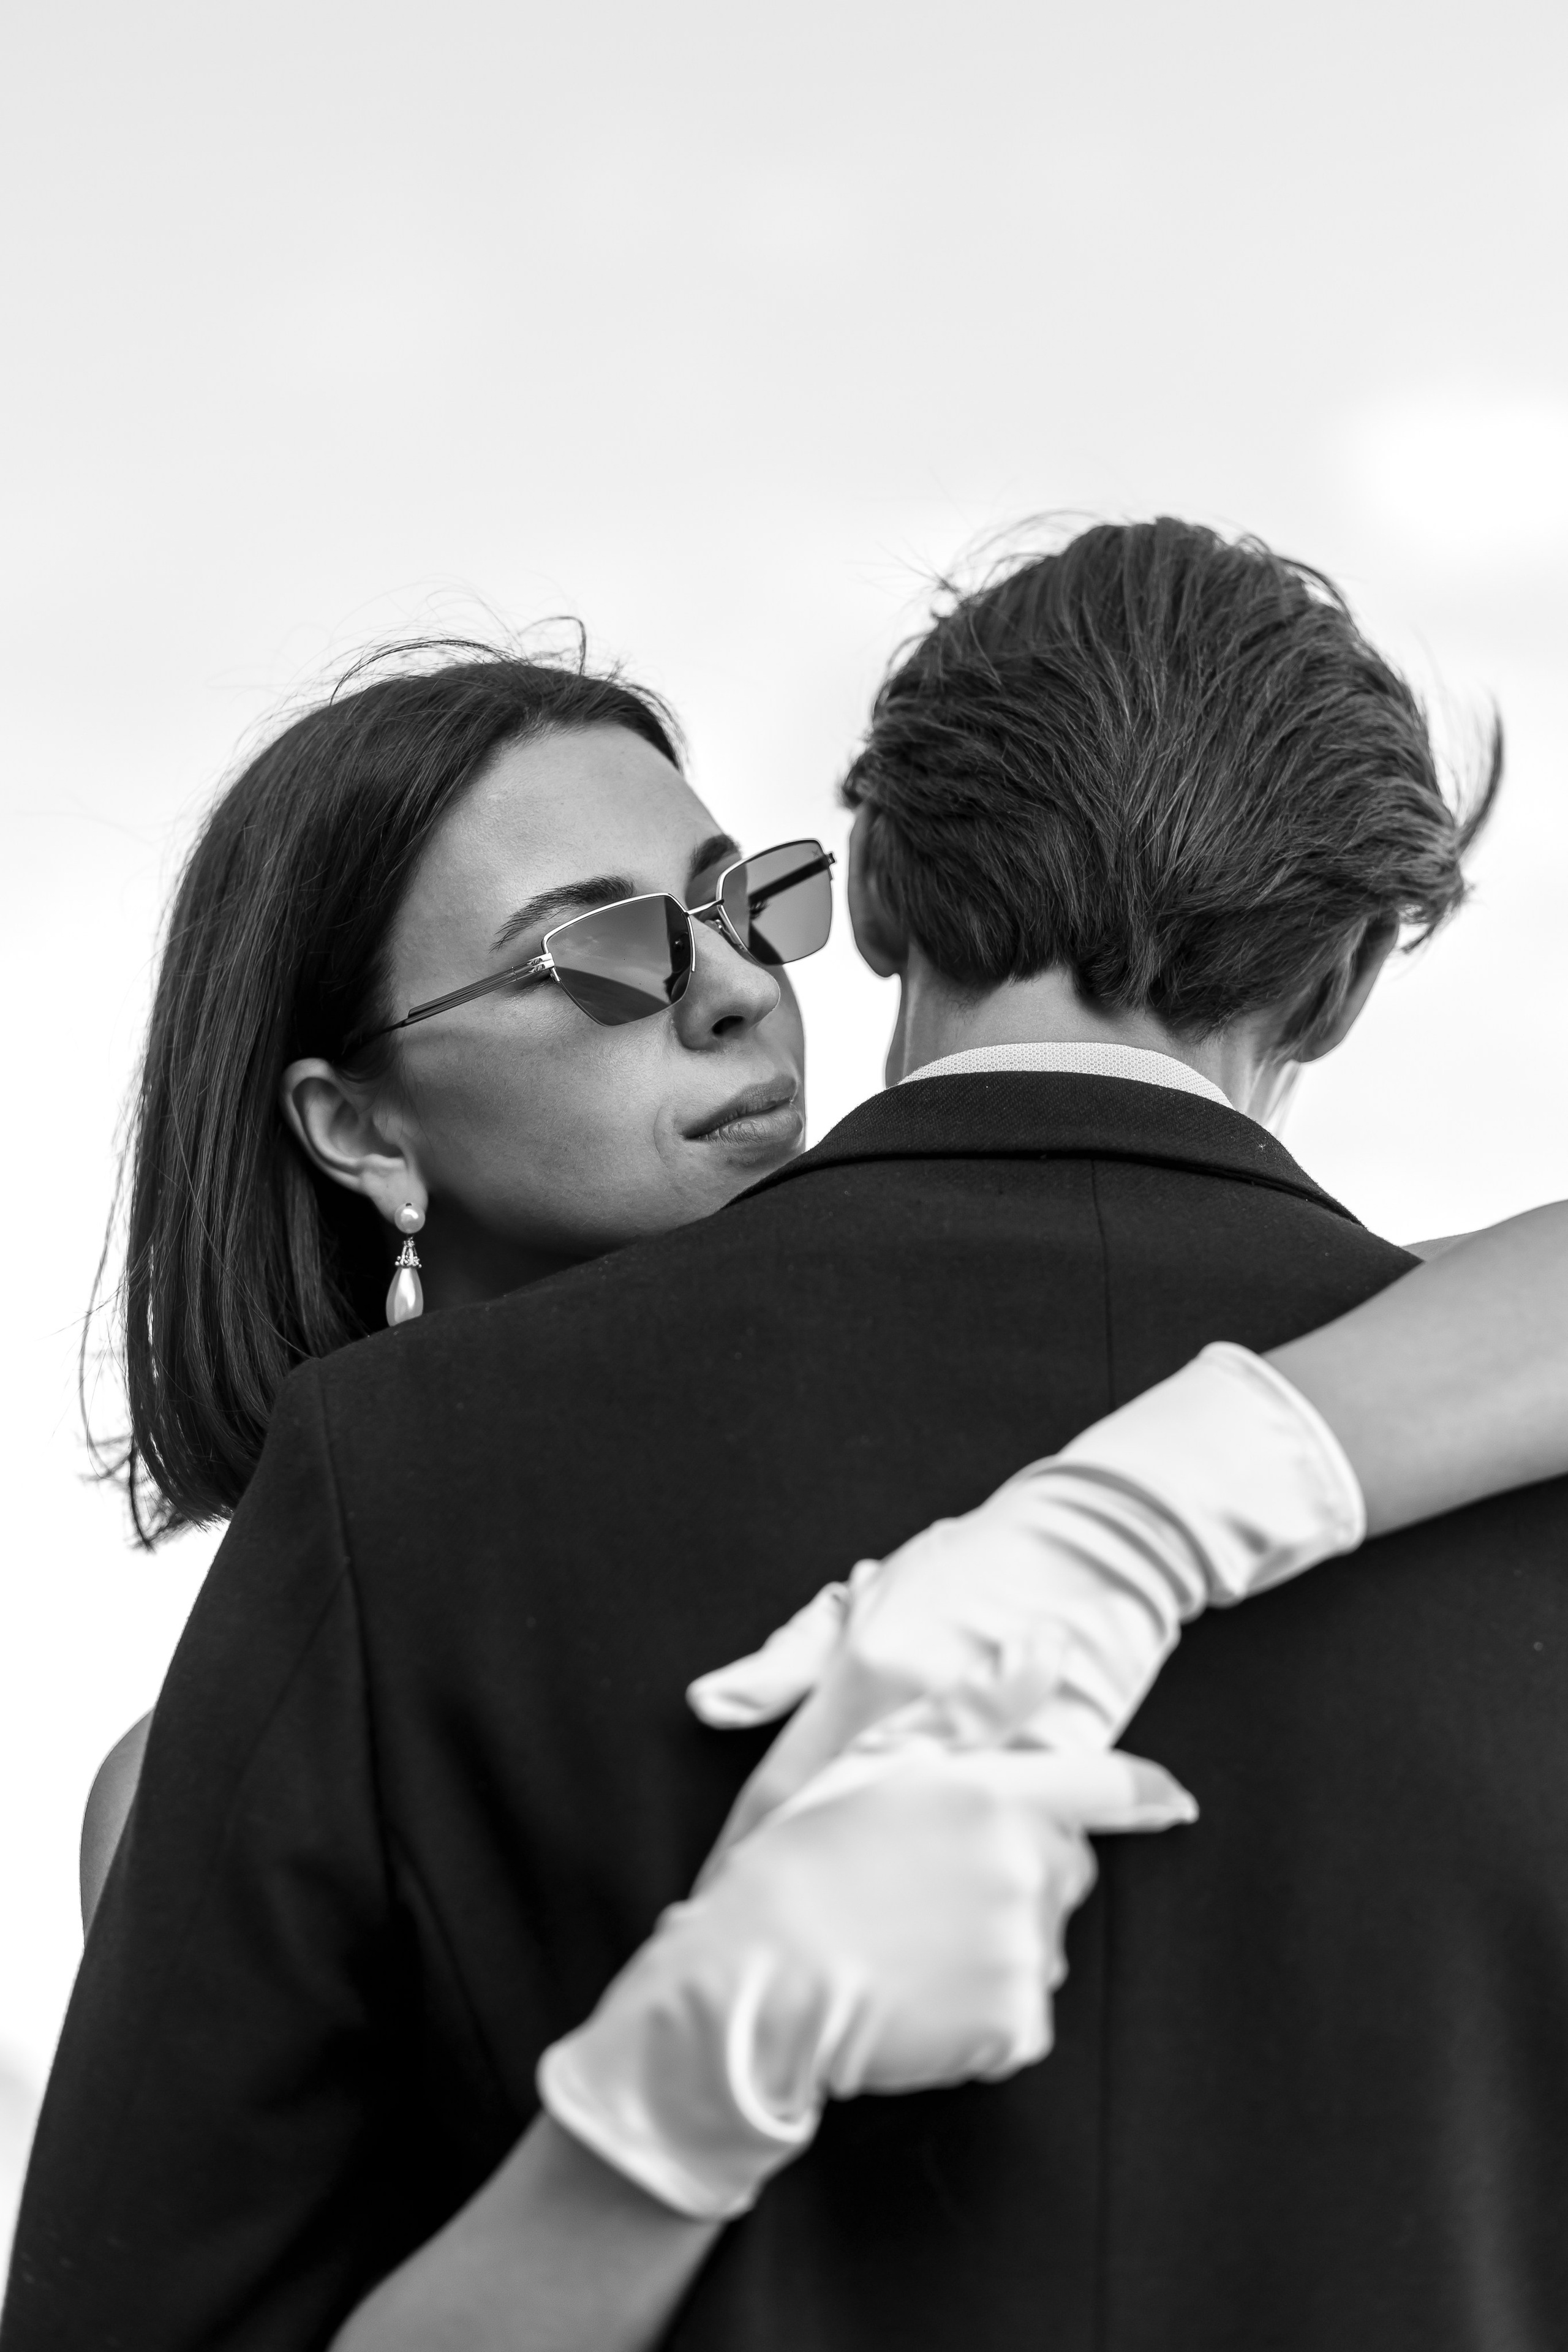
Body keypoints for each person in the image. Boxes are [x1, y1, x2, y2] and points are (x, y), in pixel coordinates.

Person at [9, 523, 1564, 2347]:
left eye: (745, 899)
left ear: (881, 883)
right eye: (595, 956)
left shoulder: (409, 1493)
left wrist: (1127, 1526)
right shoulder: (1466, 1417)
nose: (736, 987)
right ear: (355, 1129)